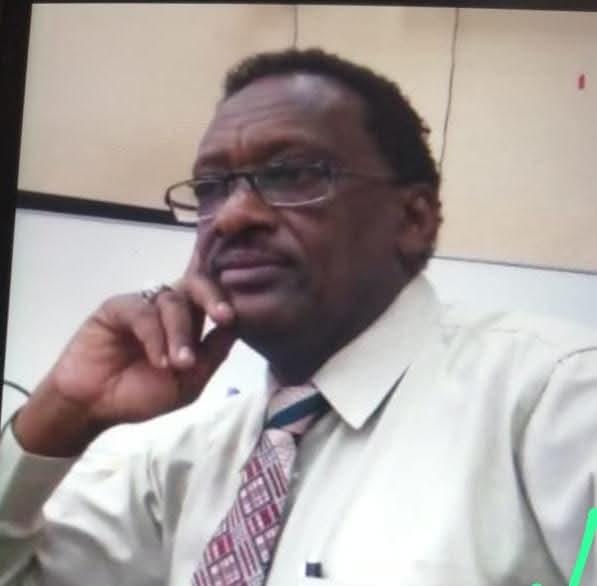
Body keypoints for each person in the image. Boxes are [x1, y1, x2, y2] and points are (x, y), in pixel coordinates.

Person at [1, 47, 596, 586]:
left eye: (292, 174)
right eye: (211, 187)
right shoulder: (183, 463)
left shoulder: (555, 400)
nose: (232, 216)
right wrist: (62, 412)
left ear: (414, 218)